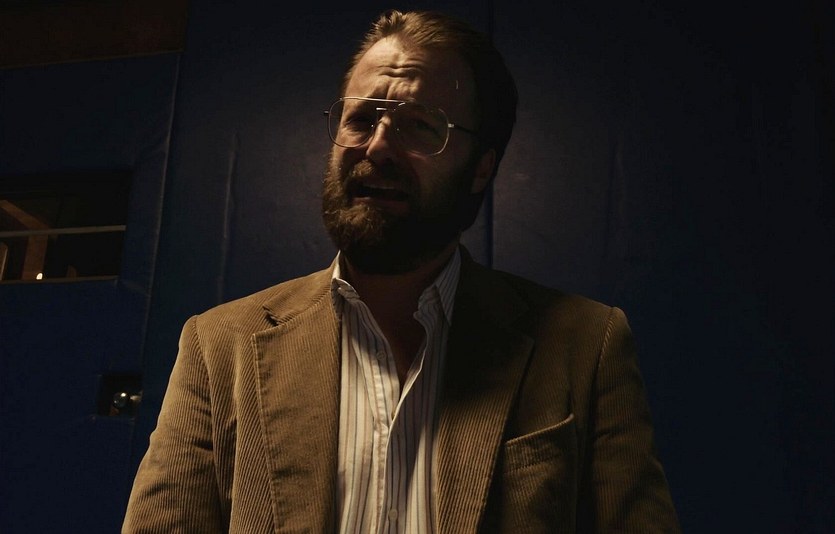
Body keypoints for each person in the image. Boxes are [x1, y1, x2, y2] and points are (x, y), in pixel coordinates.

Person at [123, 9, 680, 534]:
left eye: (420, 126)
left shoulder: (586, 346)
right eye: (361, 119)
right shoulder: (220, 347)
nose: (379, 147)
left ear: (481, 167)